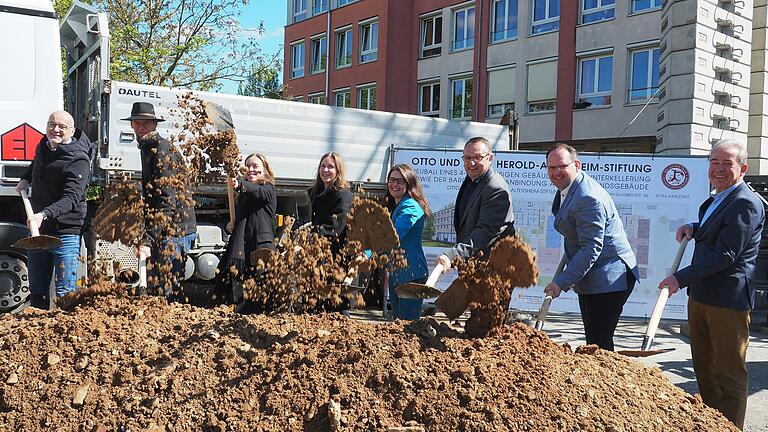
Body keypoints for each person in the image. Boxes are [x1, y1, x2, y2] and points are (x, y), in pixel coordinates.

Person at [658, 140, 764, 429]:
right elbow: (717, 229)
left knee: (728, 375)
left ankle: (729, 426)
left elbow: (727, 253)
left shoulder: (745, 202)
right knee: (704, 369)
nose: (718, 168)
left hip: (727, 301)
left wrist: (679, 278)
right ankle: (710, 423)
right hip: (702, 295)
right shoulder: (718, 198)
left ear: (742, 168)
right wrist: (695, 227)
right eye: (714, 162)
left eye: (726, 163)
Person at [543, 143, 639, 351]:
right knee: (594, 338)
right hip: (594, 273)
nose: (556, 172)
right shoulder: (569, 188)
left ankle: (610, 382)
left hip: (609, 276)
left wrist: (561, 283)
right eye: (551, 168)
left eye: (562, 166)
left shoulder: (587, 198)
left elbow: (590, 248)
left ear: (576, 164)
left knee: (599, 343)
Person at [122, 101, 197, 301]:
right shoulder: (147, 147)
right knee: (159, 289)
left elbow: (166, 201)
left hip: (175, 230)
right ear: (131, 125)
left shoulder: (161, 149)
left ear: (155, 124)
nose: (141, 127)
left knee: (168, 292)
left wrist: (148, 238)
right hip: (164, 229)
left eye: (146, 123)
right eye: (137, 123)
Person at [16, 111, 90, 309]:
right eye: (51, 124)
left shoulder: (78, 160)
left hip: (65, 232)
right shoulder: (44, 145)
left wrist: (43, 214)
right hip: (39, 231)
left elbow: (71, 198)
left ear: (72, 131)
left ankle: (68, 335)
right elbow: (38, 162)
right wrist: (25, 177)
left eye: (62, 127)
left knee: (65, 293)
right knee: (37, 289)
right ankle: (39, 333)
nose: (55, 130)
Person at [436, 136, 515, 270]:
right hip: (473, 267)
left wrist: (453, 255)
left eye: (477, 157)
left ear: (490, 159)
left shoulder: (495, 188)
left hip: (490, 271)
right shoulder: (472, 180)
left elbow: (486, 231)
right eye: (467, 158)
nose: (471, 163)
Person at [218, 153, 277, 305]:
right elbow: (239, 219)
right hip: (241, 249)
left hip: (260, 248)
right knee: (238, 296)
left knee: (259, 295)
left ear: (265, 170)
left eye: (255, 166)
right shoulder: (243, 194)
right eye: (248, 166)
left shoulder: (268, 189)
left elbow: (258, 193)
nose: (251, 169)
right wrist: (229, 226)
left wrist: (239, 184)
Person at [385, 164, 430, 320]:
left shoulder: (410, 207)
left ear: (409, 184)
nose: (394, 184)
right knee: (398, 323)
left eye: (400, 181)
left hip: (411, 274)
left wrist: (368, 253)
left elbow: (393, 236)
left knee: (408, 325)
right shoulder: (399, 205)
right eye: (391, 180)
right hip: (398, 273)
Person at [308, 152, 353, 257]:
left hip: (337, 253)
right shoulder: (314, 193)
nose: (325, 170)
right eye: (323, 166)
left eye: (331, 167)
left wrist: (313, 235)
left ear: (338, 171)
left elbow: (335, 228)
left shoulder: (344, 195)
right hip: (318, 252)